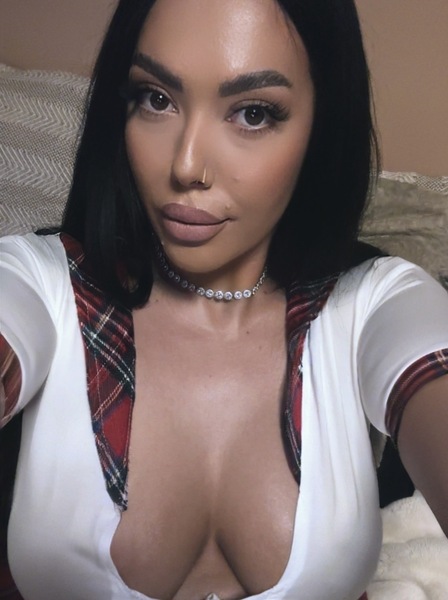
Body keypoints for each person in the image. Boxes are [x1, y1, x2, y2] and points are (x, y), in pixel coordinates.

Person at [1, 0, 447, 598]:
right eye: (155, 99)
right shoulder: (40, 281)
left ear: (323, 125)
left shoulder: (376, 301)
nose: (186, 165)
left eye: (253, 113)